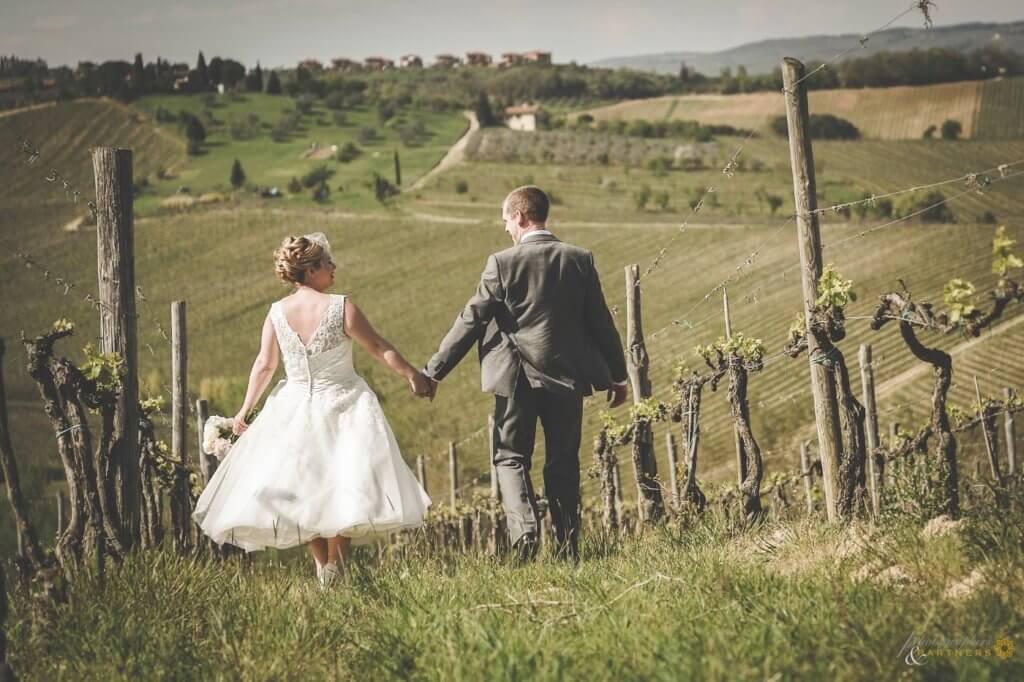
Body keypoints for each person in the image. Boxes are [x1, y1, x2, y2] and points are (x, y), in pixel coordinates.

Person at [193, 233, 432, 588]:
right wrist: (412, 374)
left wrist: (245, 411)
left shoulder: (277, 313)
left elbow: (264, 364)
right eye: (327, 263)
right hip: (344, 404)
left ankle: (324, 566)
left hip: (294, 407)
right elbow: (378, 346)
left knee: (307, 489)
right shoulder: (340, 306)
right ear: (311, 270)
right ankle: (335, 563)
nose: (334, 268)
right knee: (345, 484)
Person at [423, 186, 628, 562]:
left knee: (510, 457)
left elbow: (471, 319)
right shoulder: (579, 260)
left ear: (520, 216)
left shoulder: (502, 263)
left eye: (505, 220)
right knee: (563, 462)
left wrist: (434, 371)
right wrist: (618, 375)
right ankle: (568, 549)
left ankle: (525, 531)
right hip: (567, 377)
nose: (505, 229)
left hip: (515, 377)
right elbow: (601, 322)